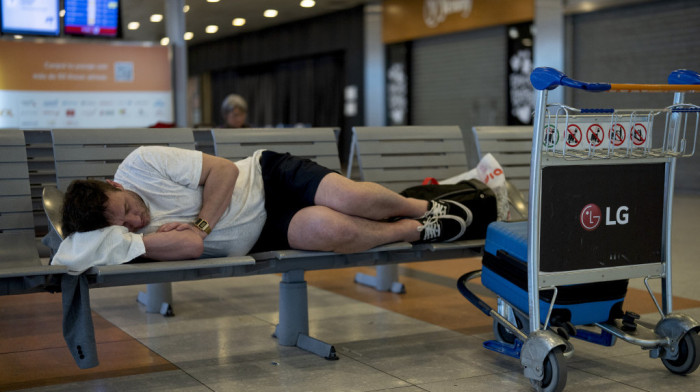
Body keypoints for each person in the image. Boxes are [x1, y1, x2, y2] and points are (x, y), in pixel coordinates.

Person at [60, 146, 474, 261]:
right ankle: (416, 229)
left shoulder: (142, 164)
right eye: (127, 224)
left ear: (116, 183)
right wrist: (129, 240)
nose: (138, 219)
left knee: (351, 198)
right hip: (261, 232)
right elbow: (191, 248)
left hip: (266, 177)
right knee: (335, 229)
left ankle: (423, 206)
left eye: (129, 206)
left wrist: (201, 223)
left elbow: (224, 171)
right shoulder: (124, 235)